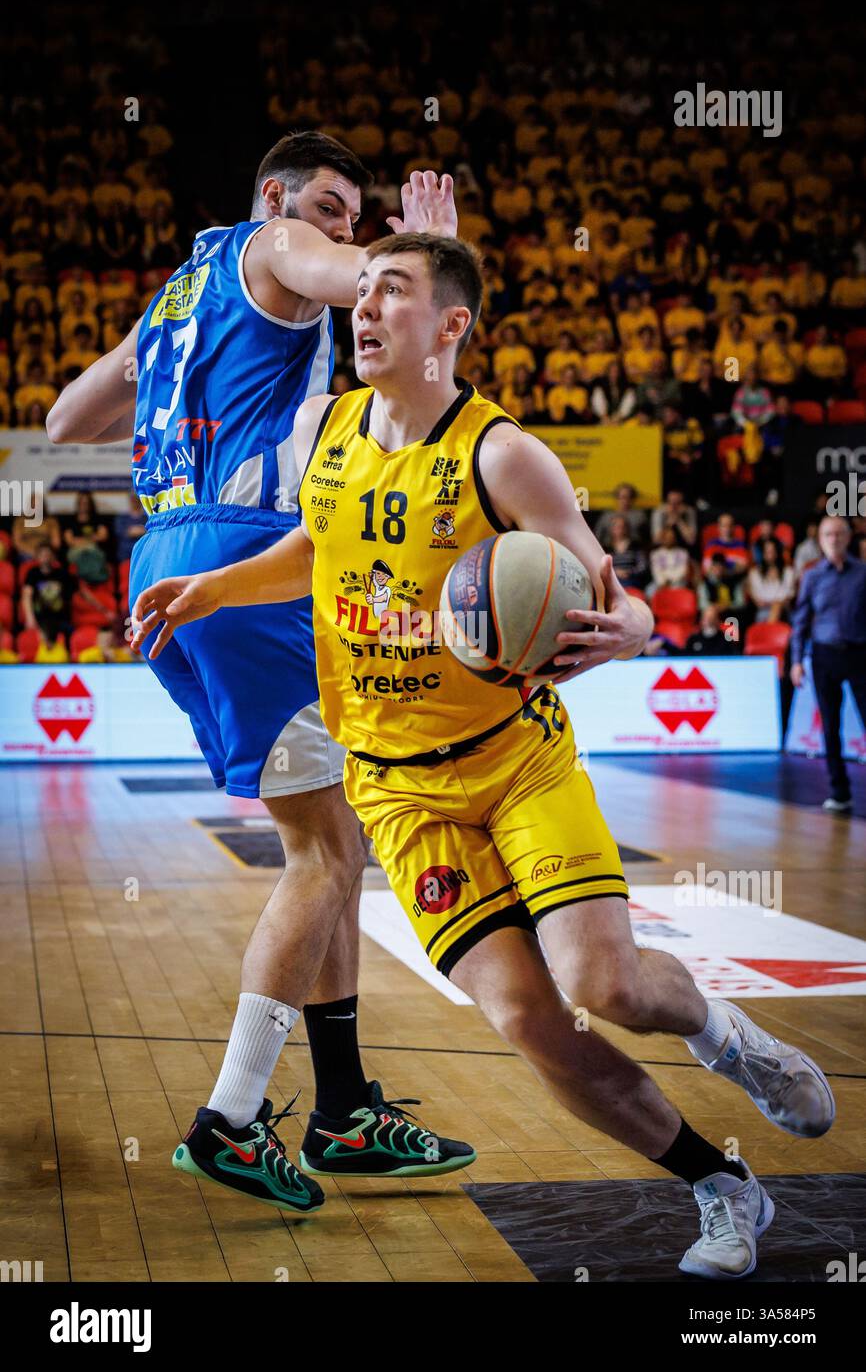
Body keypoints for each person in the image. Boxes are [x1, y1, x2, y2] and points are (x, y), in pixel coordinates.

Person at [133, 233, 835, 1280]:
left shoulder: (502, 454)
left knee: (610, 985)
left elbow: (607, 581)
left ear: (451, 326)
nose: (362, 310)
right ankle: (720, 1185)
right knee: (526, 1019)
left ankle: (729, 1039)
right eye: (359, 292)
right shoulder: (324, 427)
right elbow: (316, 547)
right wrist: (212, 588)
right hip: (397, 787)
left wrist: (634, 623)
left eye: (392, 293)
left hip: (513, 761)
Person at [46, 134, 473, 1213]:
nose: (338, 230)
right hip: (246, 561)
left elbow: (61, 423)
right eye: (332, 206)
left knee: (330, 839)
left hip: (167, 561)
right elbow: (359, 281)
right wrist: (425, 252)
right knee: (324, 856)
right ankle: (230, 1119)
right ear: (275, 196)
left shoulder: (173, 300)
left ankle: (342, 1107)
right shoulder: (278, 243)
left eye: (349, 212)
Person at [791, 516, 866, 813]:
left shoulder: (862, 574)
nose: (834, 539)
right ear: (820, 540)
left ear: (848, 538)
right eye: (827, 534)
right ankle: (839, 791)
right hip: (824, 655)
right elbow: (800, 621)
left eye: (838, 533)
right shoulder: (812, 576)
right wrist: (796, 661)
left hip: (860, 653)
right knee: (830, 726)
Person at [745, 538, 796, 623]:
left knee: (777, 606)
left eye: (773, 551)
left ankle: (767, 633)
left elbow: (789, 596)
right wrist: (772, 603)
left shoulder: (788, 571)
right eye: (767, 551)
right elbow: (757, 599)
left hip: (785, 610)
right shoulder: (755, 573)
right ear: (763, 553)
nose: (770, 554)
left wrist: (777, 603)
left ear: (778, 552)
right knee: (773, 608)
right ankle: (770, 631)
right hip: (764, 610)